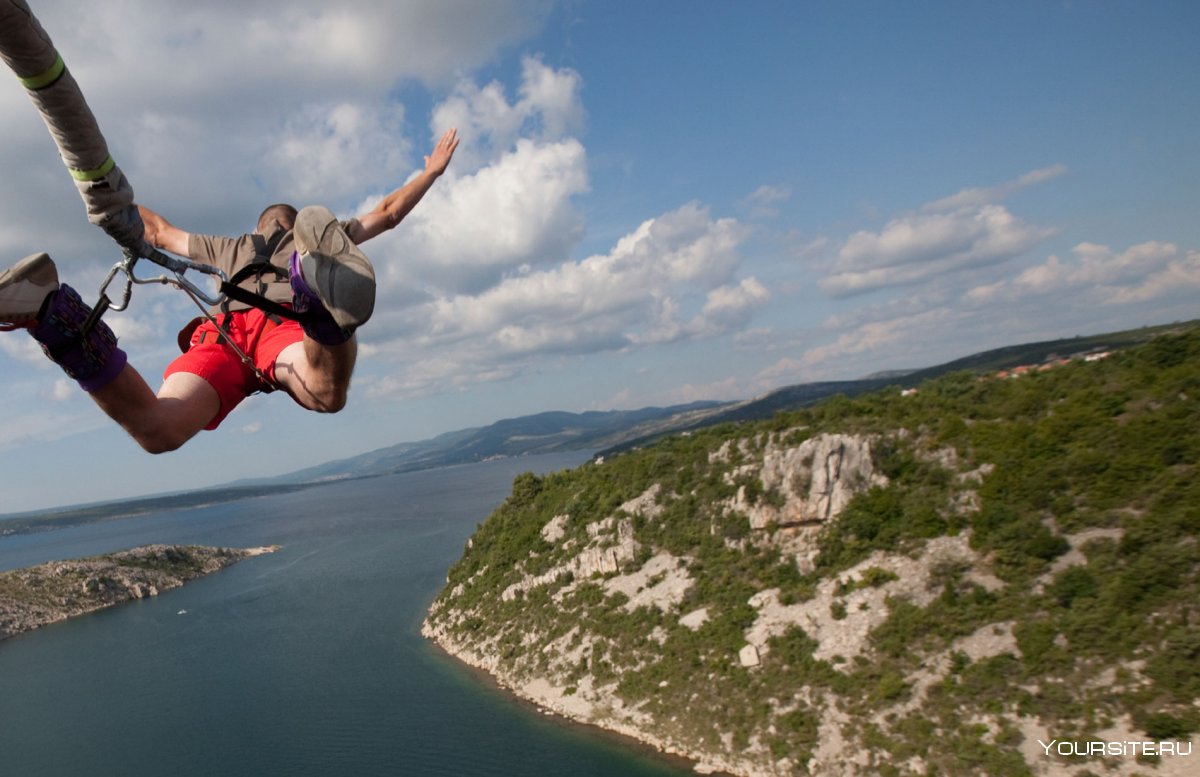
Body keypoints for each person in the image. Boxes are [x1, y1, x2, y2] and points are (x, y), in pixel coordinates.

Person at [0, 128, 459, 453]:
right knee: (325, 394)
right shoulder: (321, 236)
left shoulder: (229, 246)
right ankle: (318, 306)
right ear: (296, 224)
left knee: (159, 431)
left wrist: (103, 192)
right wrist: (432, 173)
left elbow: (157, 232)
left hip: (226, 334)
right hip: (283, 327)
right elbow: (389, 211)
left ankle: (53, 314)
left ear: (258, 225)